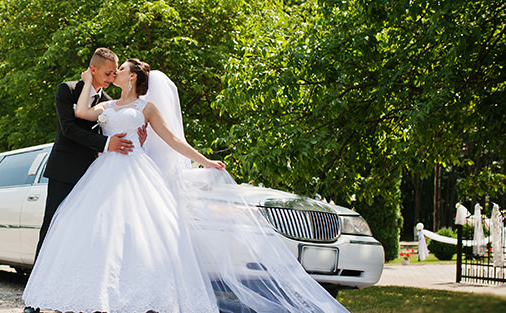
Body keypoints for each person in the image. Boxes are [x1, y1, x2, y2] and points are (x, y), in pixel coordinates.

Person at [24, 58, 351, 313]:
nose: (115, 74)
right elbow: (81, 112)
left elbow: (173, 140)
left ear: (133, 77)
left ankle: (143, 296)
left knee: (140, 236)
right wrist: (85, 82)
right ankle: (95, 294)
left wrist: (206, 161)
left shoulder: (145, 108)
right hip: (103, 174)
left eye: (120, 70)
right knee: (98, 234)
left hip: (135, 174)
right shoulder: (107, 106)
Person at [36, 47, 146, 261]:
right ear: (92, 70)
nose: (111, 78)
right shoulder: (67, 90)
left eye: (115, 73)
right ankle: (35, 284)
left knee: (82, 229)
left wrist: (139, 137)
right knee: (53, 223)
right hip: (65, 170)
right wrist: (106, 143)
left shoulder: (108, 101)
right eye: (108, 73)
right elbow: (68, 129)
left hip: (94, 173)